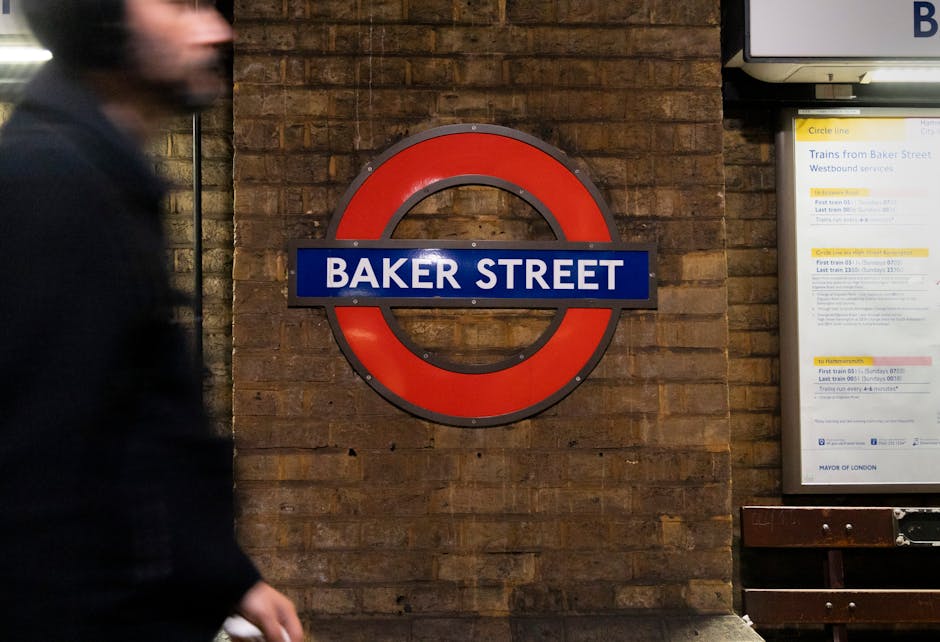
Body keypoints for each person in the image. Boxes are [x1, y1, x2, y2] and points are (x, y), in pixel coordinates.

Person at [0, 1, 303, 641]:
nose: (216, 31)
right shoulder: (47, 185)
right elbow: (39, 493)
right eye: (180, 5)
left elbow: (132, 427)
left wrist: (225, 574)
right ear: (100, 17)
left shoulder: (107, 182)